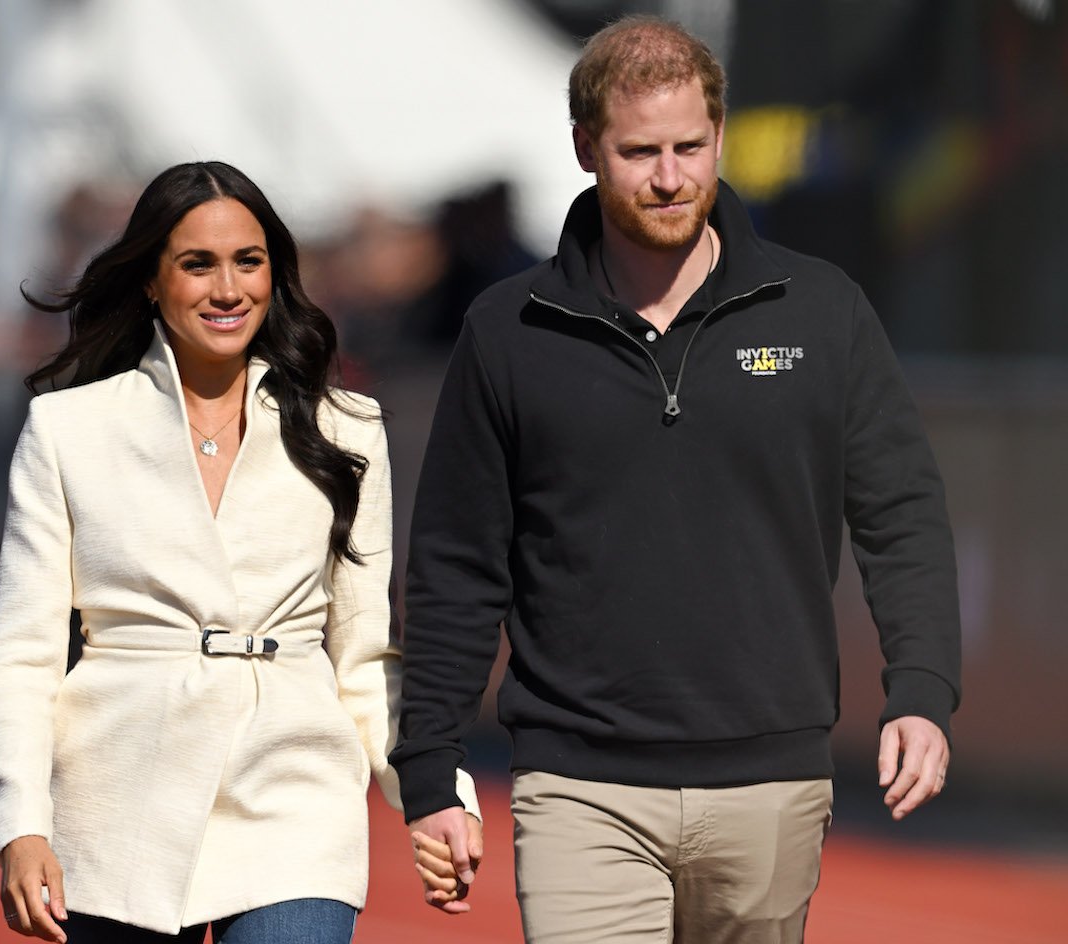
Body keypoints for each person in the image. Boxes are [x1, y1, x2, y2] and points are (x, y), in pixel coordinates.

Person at [391, 17, 960, 944]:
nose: (669, 176)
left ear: (721, 137)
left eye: (691, 146)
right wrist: (431, 762)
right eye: (640, 151)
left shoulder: (823, 312)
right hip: (578, 787)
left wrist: (924, 691)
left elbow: (903, 516)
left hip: (773, 784)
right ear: (585, 149)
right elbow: (457, 564)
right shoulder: (507, 331)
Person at [0, 161, 479, 944]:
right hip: (118, 804)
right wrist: (22, 824)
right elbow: (23, 652)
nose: (228, 289)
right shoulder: (67, 431)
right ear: (150, 279)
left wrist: (431, 791)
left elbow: (363, 653)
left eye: (249, 262)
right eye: (197, 264)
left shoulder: (346, 429)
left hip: (294, 802)